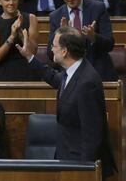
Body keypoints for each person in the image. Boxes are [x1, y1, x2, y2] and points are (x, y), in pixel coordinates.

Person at [17, 26, 116, 180]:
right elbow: (52, 77)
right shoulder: (74, 71)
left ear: (64, 51)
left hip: (79, 164)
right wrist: (30, 57)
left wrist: (84, 173)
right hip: (67, 157)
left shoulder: (87, 82)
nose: (51, 49)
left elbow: (92, 135)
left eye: (54, 46)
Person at [47, 0, 117, 80]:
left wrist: (94, 37)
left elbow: (110, 44)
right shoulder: (55, 16)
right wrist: (61, 36)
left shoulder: (98, 8)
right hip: (70, 76)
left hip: (99, 72)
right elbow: (51, 54)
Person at [0, 0, 40, 80]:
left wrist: (21, 35)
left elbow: (33, 52)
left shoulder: (31, 18)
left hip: (27, 70)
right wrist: (12, 36)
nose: (11, 3)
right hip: (4, 72)